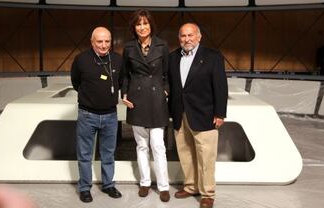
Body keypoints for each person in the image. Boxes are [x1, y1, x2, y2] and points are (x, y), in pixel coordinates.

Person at [168, 23, 228, 208]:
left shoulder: (212, 57)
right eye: (183, 36)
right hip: (180, 114)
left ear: (199, 37)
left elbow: (220, 86)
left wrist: (220, 113)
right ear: (179, 38)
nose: (187, 39)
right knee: (185, 153)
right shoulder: (172, 57)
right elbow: (171, 85)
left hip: (205, 114)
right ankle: (190, 186)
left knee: (206, 157)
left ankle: (208, 193)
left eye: (190, 35)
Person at [119, 9, 170, 202]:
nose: (142, 27)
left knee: (158, 145)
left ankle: (163, 186)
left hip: (157, 100)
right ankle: (145, 182)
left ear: (151, 25)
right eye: (138, 24)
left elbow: (167, 74)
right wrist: (124, 93)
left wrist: (165, 90)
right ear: (134, 27)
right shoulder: (129, 48)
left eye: (145, 23)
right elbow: (125, 75)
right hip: (136, 100)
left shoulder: (162, 45)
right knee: (141, 145)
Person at [71, 26, 122, 203]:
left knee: (108, 153)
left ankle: (108, 184)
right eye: (99, 41)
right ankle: (85, 188)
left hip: (110, 116)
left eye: (107, 41)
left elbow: (121, 82)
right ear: (92, 42)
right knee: (85, 154)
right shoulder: (80, 60)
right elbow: (76, 82)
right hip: (87, 115)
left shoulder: (117, 60)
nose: (103, 45)